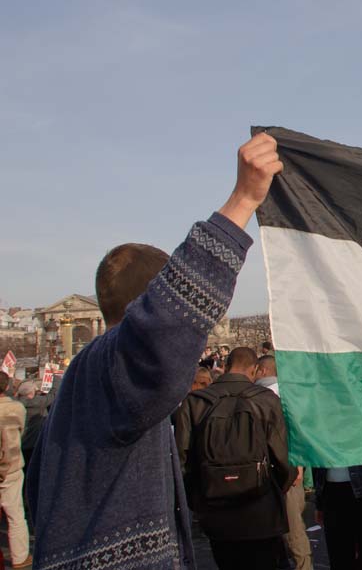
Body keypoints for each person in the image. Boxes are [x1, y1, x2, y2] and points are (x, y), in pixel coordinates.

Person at [26, 133, 281, 570]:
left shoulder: (79, 381)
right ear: (147, 305)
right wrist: (242, 201)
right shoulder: (114, 368)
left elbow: (37, 490)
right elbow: (167, 324)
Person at [175, 346, 294, 570]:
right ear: (255, 369)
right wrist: (275, 487)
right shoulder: (266, 400)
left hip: (216, 509)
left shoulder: (194, 403)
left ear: (227, 365)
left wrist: (200, 499)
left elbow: (183, 462)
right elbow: (282, 458)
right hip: (260, 506)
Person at [254, 355, 313, 570]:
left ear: (260, 370)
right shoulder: (290, 394)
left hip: (277, 470)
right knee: (293, 532)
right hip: (290, 468)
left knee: (291, 533)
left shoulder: (260, 396)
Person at [0, 372, 32, 568]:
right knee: (16, 515)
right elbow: (22, 431)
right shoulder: (17, 408)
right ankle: (20, 556)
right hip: (11, 466)